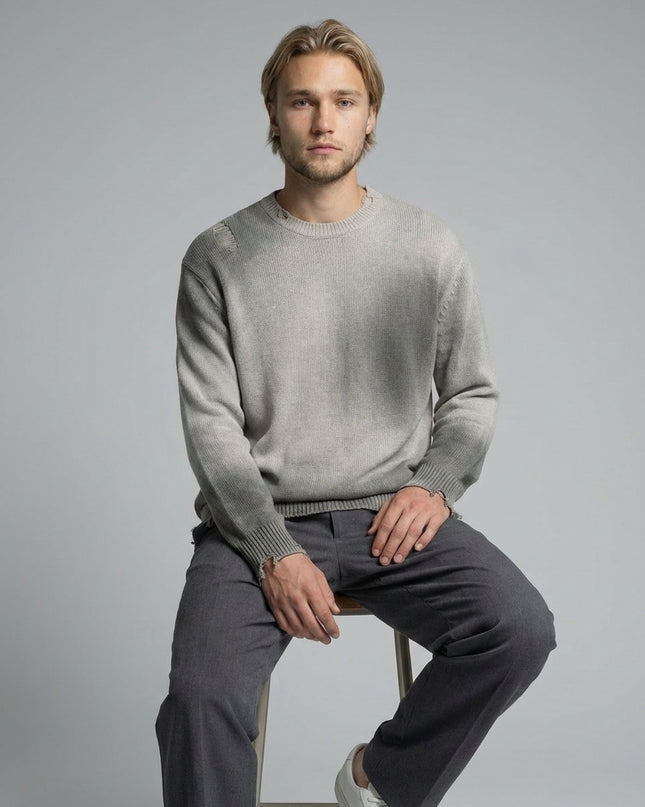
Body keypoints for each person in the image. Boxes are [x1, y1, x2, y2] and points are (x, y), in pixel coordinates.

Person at [156, 18, 556, 807]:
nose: (323, 120)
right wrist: (272, 551)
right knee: (199, 697)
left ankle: (380, 775)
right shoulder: (219, 255)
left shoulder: (425, 246)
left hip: (391, 519)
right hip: (256, 526)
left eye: (343, 100)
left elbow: (470, 394)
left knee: (518, 629)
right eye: (301, 100)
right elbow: (212, 430)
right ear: (273, 115)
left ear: (371, 115)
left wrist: (434, 485)